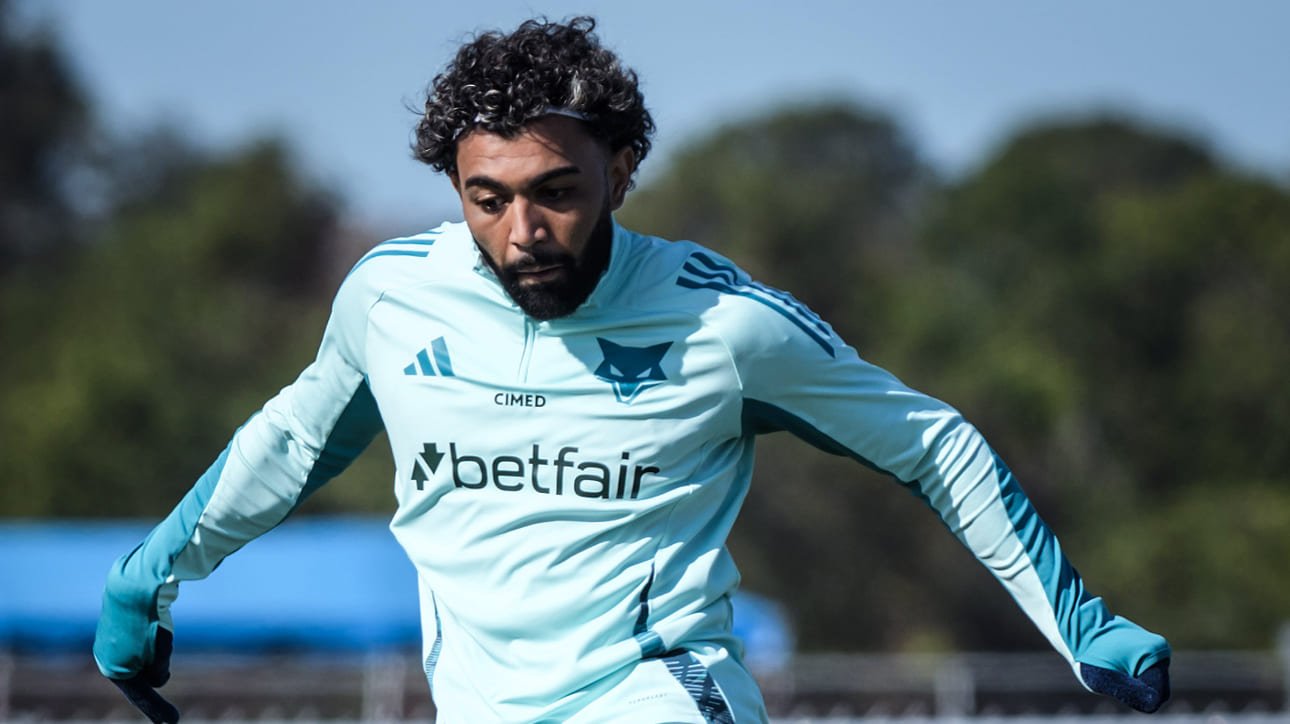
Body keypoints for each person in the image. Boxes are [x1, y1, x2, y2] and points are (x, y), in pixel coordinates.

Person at [94, 16, 1171, 724]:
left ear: (623, 170)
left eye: (556, 189)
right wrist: (152, 575)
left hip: (663, 697)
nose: (522, 229)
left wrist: (1079, 622)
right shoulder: (390, 299)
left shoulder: (727, 324)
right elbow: (291, 440)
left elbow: (931, 444)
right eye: (487, 197)